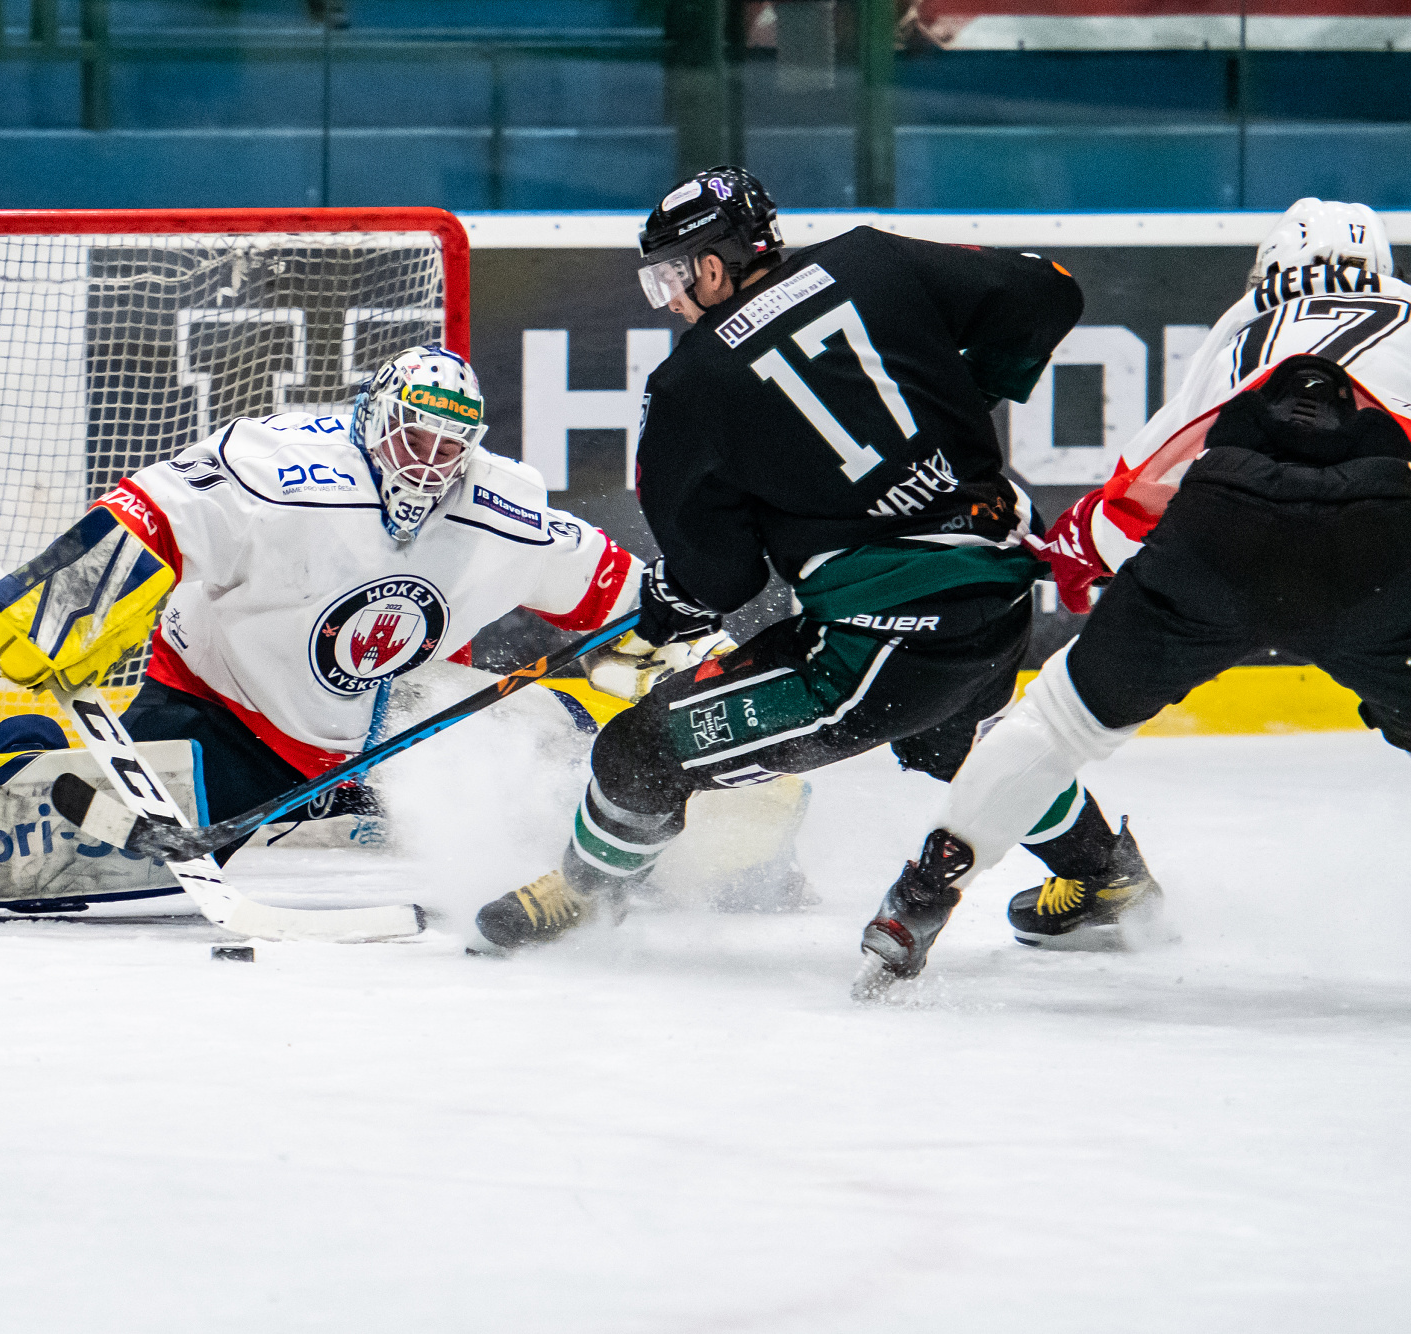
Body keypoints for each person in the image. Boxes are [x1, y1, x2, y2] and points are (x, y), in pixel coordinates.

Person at [473, 165, 1159, 952]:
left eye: (671, 277)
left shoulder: (690, 384)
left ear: (710, 264)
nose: (670, 300)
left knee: (638, 751)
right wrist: (970, 395)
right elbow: (1049, 290)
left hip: (884, 647)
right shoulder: (872, 257)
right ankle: (1110, 875)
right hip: (1000, 593)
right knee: (950, 742)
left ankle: (589, 896)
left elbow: (720, 576)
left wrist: (674, 600)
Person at [858, 198, 1411, 995]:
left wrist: (1070, 559)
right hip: (1381, 546)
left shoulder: (1246, 325)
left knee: (1056, 721)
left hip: (1223, 530)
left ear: (1272, 270)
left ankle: (917, 899)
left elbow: (1143, 485)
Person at [0, 345, 641, 863]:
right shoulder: (284, 468)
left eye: (449, 449)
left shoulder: (500, 507)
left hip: (396, 735)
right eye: (416, 439)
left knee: (563, 776)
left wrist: (682, 641)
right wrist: (63, 605)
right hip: (232, 717)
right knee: (97, 845)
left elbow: (615, 590)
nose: (428, 467)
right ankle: (30, 756)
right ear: (377, 418)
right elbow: (162, 511)